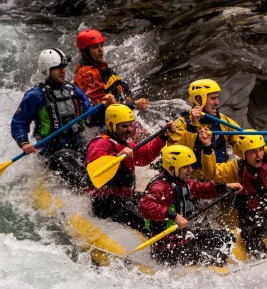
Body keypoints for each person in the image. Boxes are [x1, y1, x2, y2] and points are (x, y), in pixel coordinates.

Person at [10, 48, 114, 189]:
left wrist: (105, 107)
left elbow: (90, 117)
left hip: (79, 146)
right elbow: (19, 123)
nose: (63, 71)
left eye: (64, 67)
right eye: (58, 68)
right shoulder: (35, 95)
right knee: (65, 160)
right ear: (47, 70)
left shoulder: (74, 90)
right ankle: (88, 190)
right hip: (52, 153)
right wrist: (24, 143)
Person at [200, 127, 267, 258]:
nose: (259, 155)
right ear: (244, 154)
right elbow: (212, 172)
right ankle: (262, 259)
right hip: (260, 214)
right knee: (247, 233)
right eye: (254, 152)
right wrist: (207, 148)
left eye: (261, 150)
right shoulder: (236, 168)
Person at [139, 145, 242, 266]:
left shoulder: (181, 182)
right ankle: (213, 271)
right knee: (214, 256)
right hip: (167, 248)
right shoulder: (161, 187)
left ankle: (218, 266)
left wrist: (225, 186)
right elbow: (146, 205)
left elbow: (201, 189)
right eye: (186, 166)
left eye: (190, 165)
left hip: (183, 237)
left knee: (227, 237)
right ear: (172, 168)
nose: (191, 169)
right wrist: (174, 216)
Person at [86, 104, 175, 232]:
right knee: (145, 220)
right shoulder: (100, 144)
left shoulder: (127, 143)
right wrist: (117, 157)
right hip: (105, 202)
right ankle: (155, 237)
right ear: (111, 125)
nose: (129, 130)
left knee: (156, 203)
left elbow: (145, 156)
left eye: (130, 125)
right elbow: (94, 173)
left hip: (125, 198)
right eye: (124, 126)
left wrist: (163, 136)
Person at [73, 28, 150, 138]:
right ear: (86, 52)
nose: (101, 50)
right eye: (95, 47)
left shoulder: (100, 67)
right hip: (104, 127)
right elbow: (100, 110)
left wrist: (129, 101)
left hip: (117, 121)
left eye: (101, 45)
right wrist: (133, 105)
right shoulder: (87, 74)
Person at [167, 79, 240, 177]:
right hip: (193, 179)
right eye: (213, 98)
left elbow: (242, 140)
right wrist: (192, 126)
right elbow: (176, 157)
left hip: (218, 175)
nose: (217, 102)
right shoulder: (181, 124)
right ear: (199, 99)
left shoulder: (222, 120)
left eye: (217, 98)